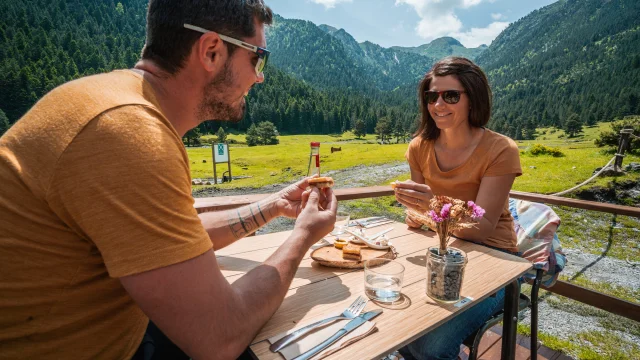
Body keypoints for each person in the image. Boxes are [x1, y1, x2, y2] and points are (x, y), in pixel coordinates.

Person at [0, 1, 338, 359]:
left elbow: (173, 239)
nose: (261, 76)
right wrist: (304, 235)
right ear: (211, 51)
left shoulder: (114, 102)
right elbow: (220, 335)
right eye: (258, 58)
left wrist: (272, 207)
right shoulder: (130, 133)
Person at [393, 57, 522, 360]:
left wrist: (432, 207)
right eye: (431, 96)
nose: (438, 104)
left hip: (496, 258)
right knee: (397, 320)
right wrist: (414, 209)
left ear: (472, 99)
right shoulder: (419, 147)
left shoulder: (501, 149)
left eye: (450, 95)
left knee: (429, 345)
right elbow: (419, 218)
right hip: (440, 252)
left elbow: (484, 226)